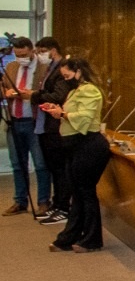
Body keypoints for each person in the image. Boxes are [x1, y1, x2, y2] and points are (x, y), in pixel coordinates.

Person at [40, 58, 111, 253]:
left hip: (88, 145)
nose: (65, 80)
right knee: (77, 194)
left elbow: (84, 118)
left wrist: (62, 114)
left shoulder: (89, 90)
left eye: (67, 76)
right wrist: (58, 111)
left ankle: (91, 239)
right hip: (74, 145)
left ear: (78, 71)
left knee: (86, 193)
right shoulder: (74, 91)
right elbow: (72, 114)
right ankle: (69, 237)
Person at [2, 36, 50, 216]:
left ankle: (44, 201)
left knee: (40, 164)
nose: (19, 58)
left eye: (23, 54)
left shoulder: (43, 68)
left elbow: (46, 93)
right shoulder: (11, 67)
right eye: (16, 55)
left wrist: (30, 94)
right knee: (17, 164)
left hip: (34, 122)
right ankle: (20, 201)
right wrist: (6, 92)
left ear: (31, 50)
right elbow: (3, 87)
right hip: (14, 121)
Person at [29, 37, 73, 222]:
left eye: (41, 51)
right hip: (45, 125)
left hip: (56, 127)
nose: (39, 55)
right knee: (53, 168)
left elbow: (59, 96)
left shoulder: (61, 69)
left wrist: (34, 96)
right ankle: (56, 205)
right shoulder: (49, 69)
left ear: (52, 50)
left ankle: (63, 207)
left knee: (59, 168)